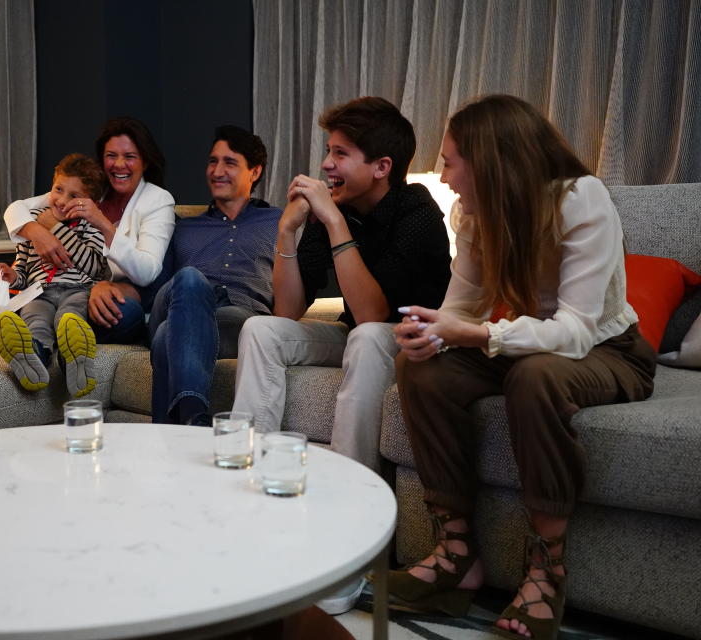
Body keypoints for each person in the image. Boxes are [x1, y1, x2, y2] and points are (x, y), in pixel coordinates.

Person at [389, 95, 655, 640]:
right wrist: (430, 334)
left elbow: (576, 329)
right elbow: (460, 308)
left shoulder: (582, 199)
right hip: (531, 342)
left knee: (534, 376)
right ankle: (456, 553)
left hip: (608, 350)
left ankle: (546, 569)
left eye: (451, 160)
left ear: (491, 160)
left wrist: (481, 333)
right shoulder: (477, 212)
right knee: (422, 370)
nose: (444, 174)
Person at [232, 96, 451, 473]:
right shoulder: (337, 206)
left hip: (421, 340)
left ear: (382, 166)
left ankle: (351, 482)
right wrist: (287, 230)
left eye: (341, 153)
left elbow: (372, 315)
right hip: (359, 334)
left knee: (365, 338)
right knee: (260, 329)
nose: (325, 164)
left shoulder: (416, 209)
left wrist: (334, 221)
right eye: (328, 150)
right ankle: (248, 464)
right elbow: (288, 310)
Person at [0, 116, 175, 344]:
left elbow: (147, 273)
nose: (119, 165)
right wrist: (37, 233)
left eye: (129, 157)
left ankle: (36, 334)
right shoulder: (84, 187)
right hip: (44, 295)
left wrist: (102, 224)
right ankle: (52, 333)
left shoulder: (157, 200)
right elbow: (17, 209)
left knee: (127, 315)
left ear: (144, 161)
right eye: (111, 156)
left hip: (92, 298)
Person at [148, 125, 281, 426]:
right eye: (212, 161)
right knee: (191, 279)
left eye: (230, 163)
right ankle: (195, 415)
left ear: (255, 171)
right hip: (177, 301)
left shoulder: (279, 221)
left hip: (238, 319)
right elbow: (157, 289)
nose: (217, 170)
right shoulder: (182, 226)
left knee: (163, 337)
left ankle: (170, 436)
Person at [0, 154, 107, 395]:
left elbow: (94, 266)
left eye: (74, 196)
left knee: (69, 318)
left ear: (90, 201)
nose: (62, 201)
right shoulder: (31, 223)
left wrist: (56, 228)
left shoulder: (91, 226)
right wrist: (11, 275)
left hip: (78, 291)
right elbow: (23, 269)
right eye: (58, 190)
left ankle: (75, 361)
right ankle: (33, 358)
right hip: (39, 293)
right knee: (35, 320)